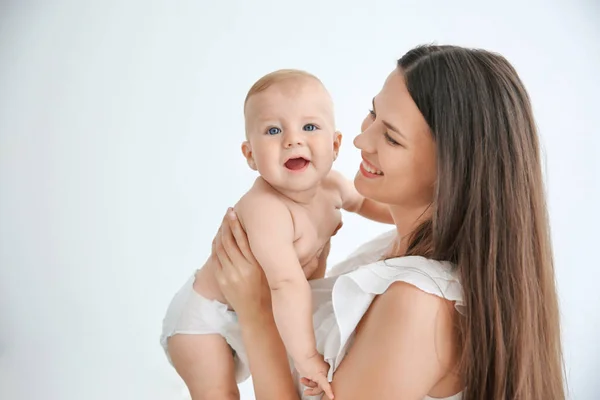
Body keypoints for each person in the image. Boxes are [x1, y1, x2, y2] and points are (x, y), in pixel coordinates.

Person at [211, 44, 566, 400]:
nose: (359, 139)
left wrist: (257, 314)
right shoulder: (386, 251)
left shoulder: (417, 306)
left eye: (392, 137)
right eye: (372, 113)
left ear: (453, 170)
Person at [160, 69, 393, 400]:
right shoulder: (266, 209)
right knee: (217, 392)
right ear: (250, 155)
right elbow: (286, 284)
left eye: (309, 127)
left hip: (260, 309)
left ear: (336, 144)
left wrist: (428, 213)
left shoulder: (334, 186)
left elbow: (372, 204)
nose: (292, 140)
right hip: (205, 320)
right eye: (273, 130)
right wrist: (307, 358)